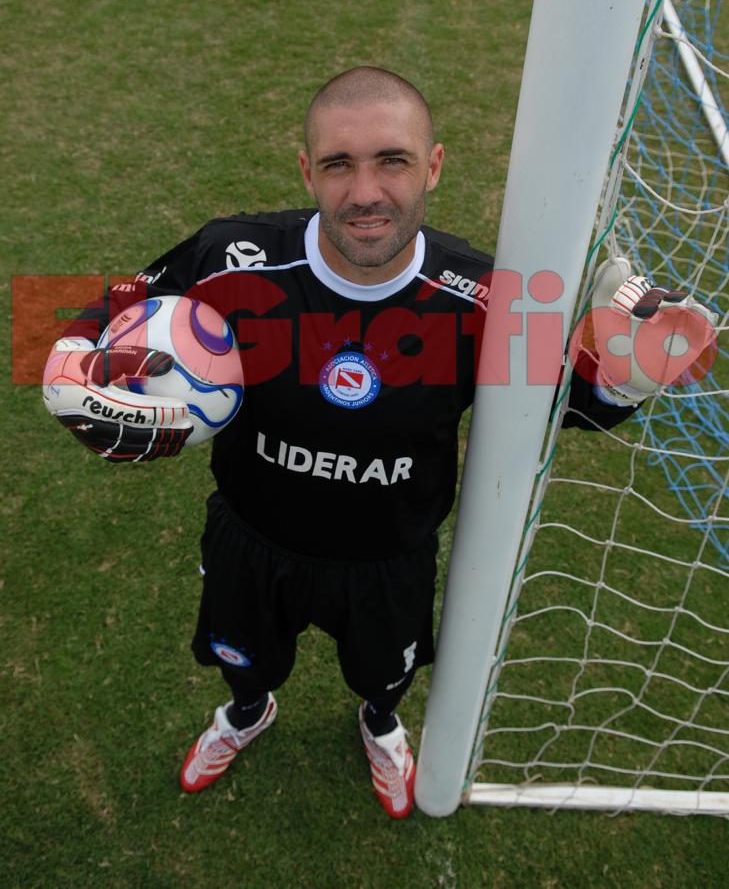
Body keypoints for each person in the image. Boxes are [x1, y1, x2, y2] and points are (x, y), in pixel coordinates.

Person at [43, 67, 705, 819]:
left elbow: (563, 409)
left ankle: (381, 724)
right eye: (338, 164)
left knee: (381, 674)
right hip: (252, 538)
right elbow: (121, 301)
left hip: (388, 557)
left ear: (433, 166)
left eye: (391, 160)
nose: (364, 192)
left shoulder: (484, 296)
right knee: (243, 657)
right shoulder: (231, 256)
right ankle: (246, 711)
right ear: (307, 171)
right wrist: (71, 354)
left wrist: (625, 377)